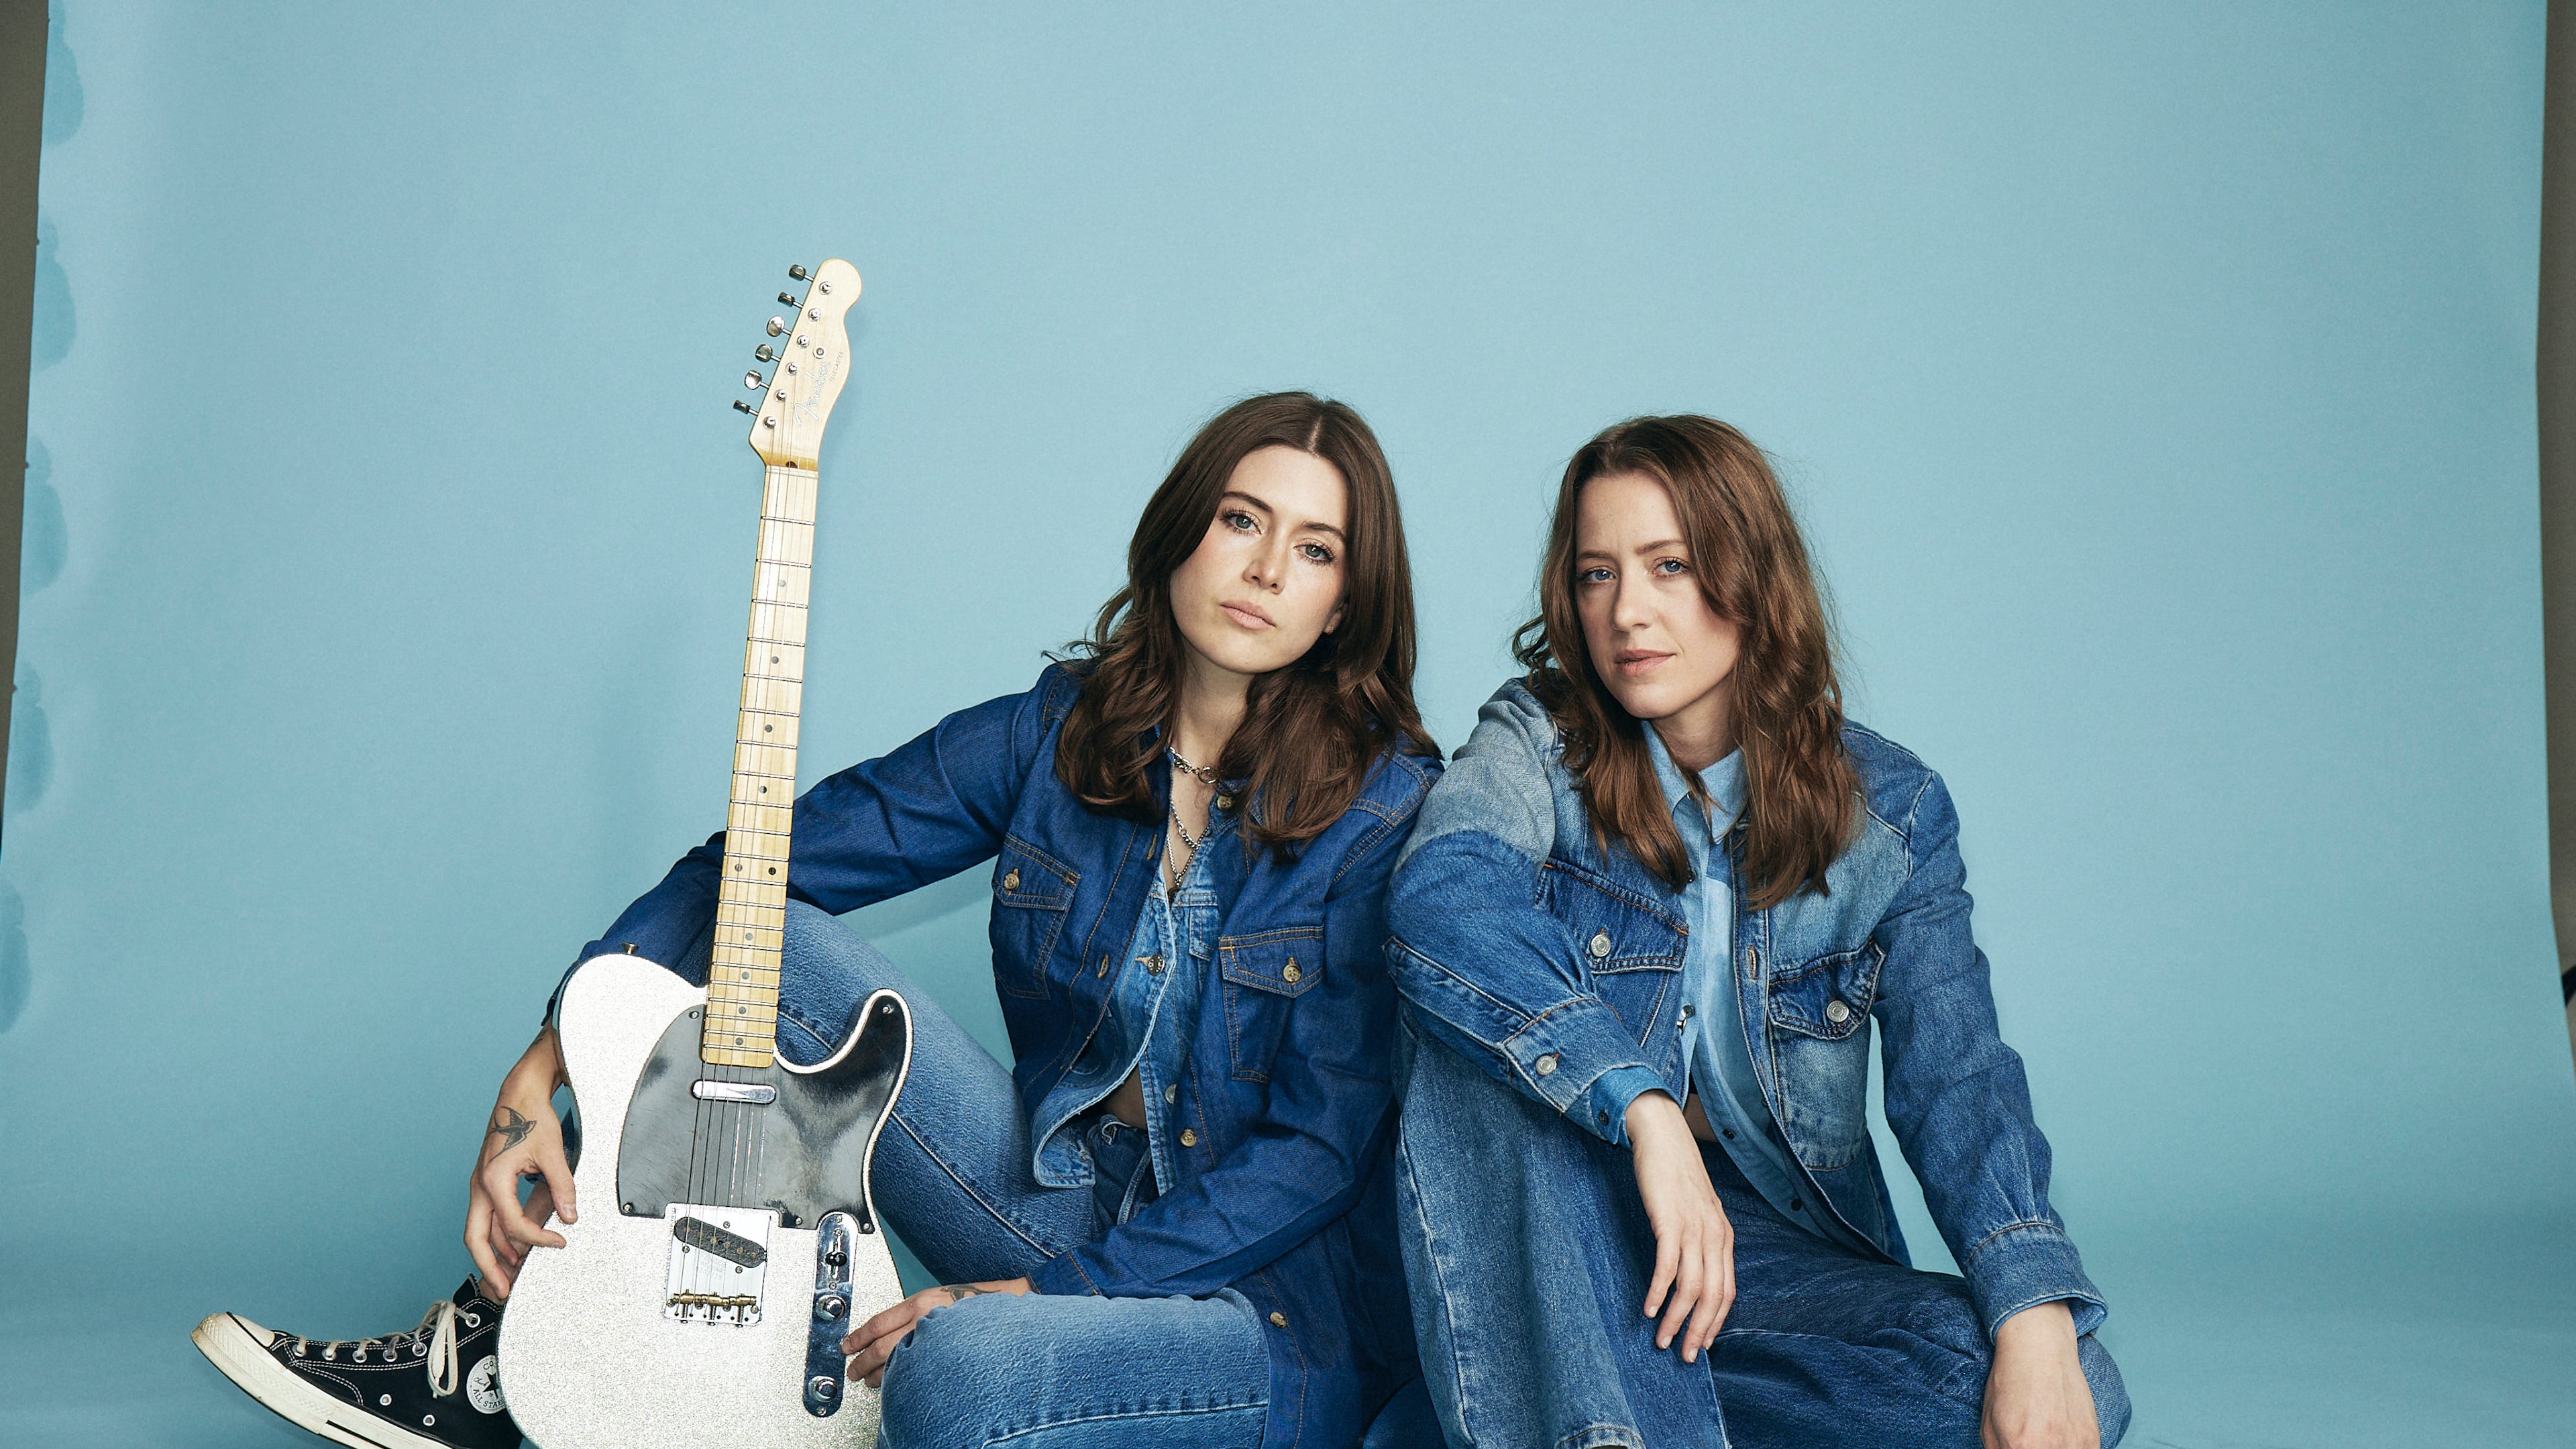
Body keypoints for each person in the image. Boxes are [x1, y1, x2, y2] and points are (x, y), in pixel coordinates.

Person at [192, 391, 1445, 1449]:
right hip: (1071, 1194)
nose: (1266, 571)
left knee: (956, 1381)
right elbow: (749, 867)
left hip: (1258, 1301)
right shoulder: (1057, 732)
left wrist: (1042, 1298)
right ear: (1182, 535)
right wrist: (547, 1060)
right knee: (768, 938)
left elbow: (1313, 1158)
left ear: (1344, 602)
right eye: (1241, 521)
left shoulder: (1382, 807)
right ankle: (491, 1358)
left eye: (1316, 550)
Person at [1383, 415, 2128, 1449]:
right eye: (1597, 574)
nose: (1628, 611)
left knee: (2065, 1382)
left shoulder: (1890, 813)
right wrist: (1642, 1108)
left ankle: (1516, 1402)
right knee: (1469, 1028)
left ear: (1752, 577)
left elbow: (1958, 1078)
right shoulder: (1535, 743)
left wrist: (2033, 1313)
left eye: (1670, 566)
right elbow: (1444, 896)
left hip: (1759, 1264)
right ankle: (1570, 1399)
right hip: (1558, 1220)